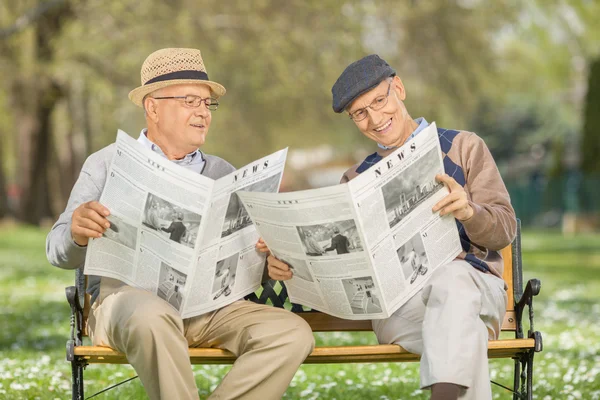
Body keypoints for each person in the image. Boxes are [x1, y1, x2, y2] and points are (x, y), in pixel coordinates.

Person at [46, 48, 314, 400]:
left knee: (293, 333)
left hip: (209, 309)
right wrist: (77, 233)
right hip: (128, 306)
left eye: (207, 104)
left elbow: (245, 263)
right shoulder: (107, 164)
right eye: (190, 101)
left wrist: (267, 260)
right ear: (153, 107)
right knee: (151, 315)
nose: (203, 112)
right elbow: (56, 250)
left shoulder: (222, 172)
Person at [262, 55, 516, 400]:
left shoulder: (464, 147)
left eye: (379, 101)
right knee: (462, 331)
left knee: (452, 281)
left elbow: (503, 231)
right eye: (360, 113)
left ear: (398, 88)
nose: (375, 119)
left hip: (475, 291)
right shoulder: (354, 180)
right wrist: (289, 264)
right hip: (401, 309)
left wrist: (470, 213)